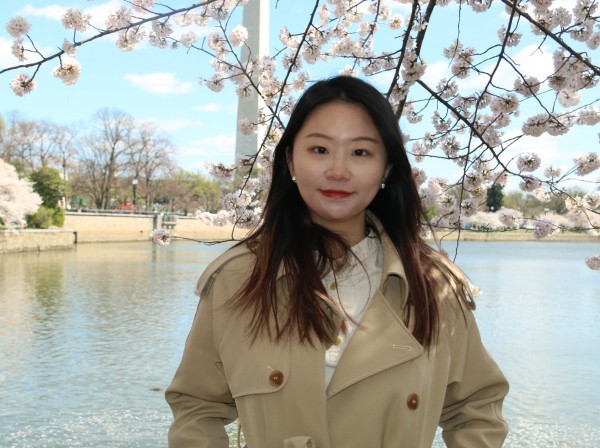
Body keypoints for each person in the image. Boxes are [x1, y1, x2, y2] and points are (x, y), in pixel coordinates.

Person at [165, 76, 509, 448]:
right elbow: (198, 408)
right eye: (319, 150)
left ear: (387, 169)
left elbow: (476, 409)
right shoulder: (239, 277)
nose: (338, 171)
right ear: (290, 160)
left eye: (360, 152)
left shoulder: (432, 286)